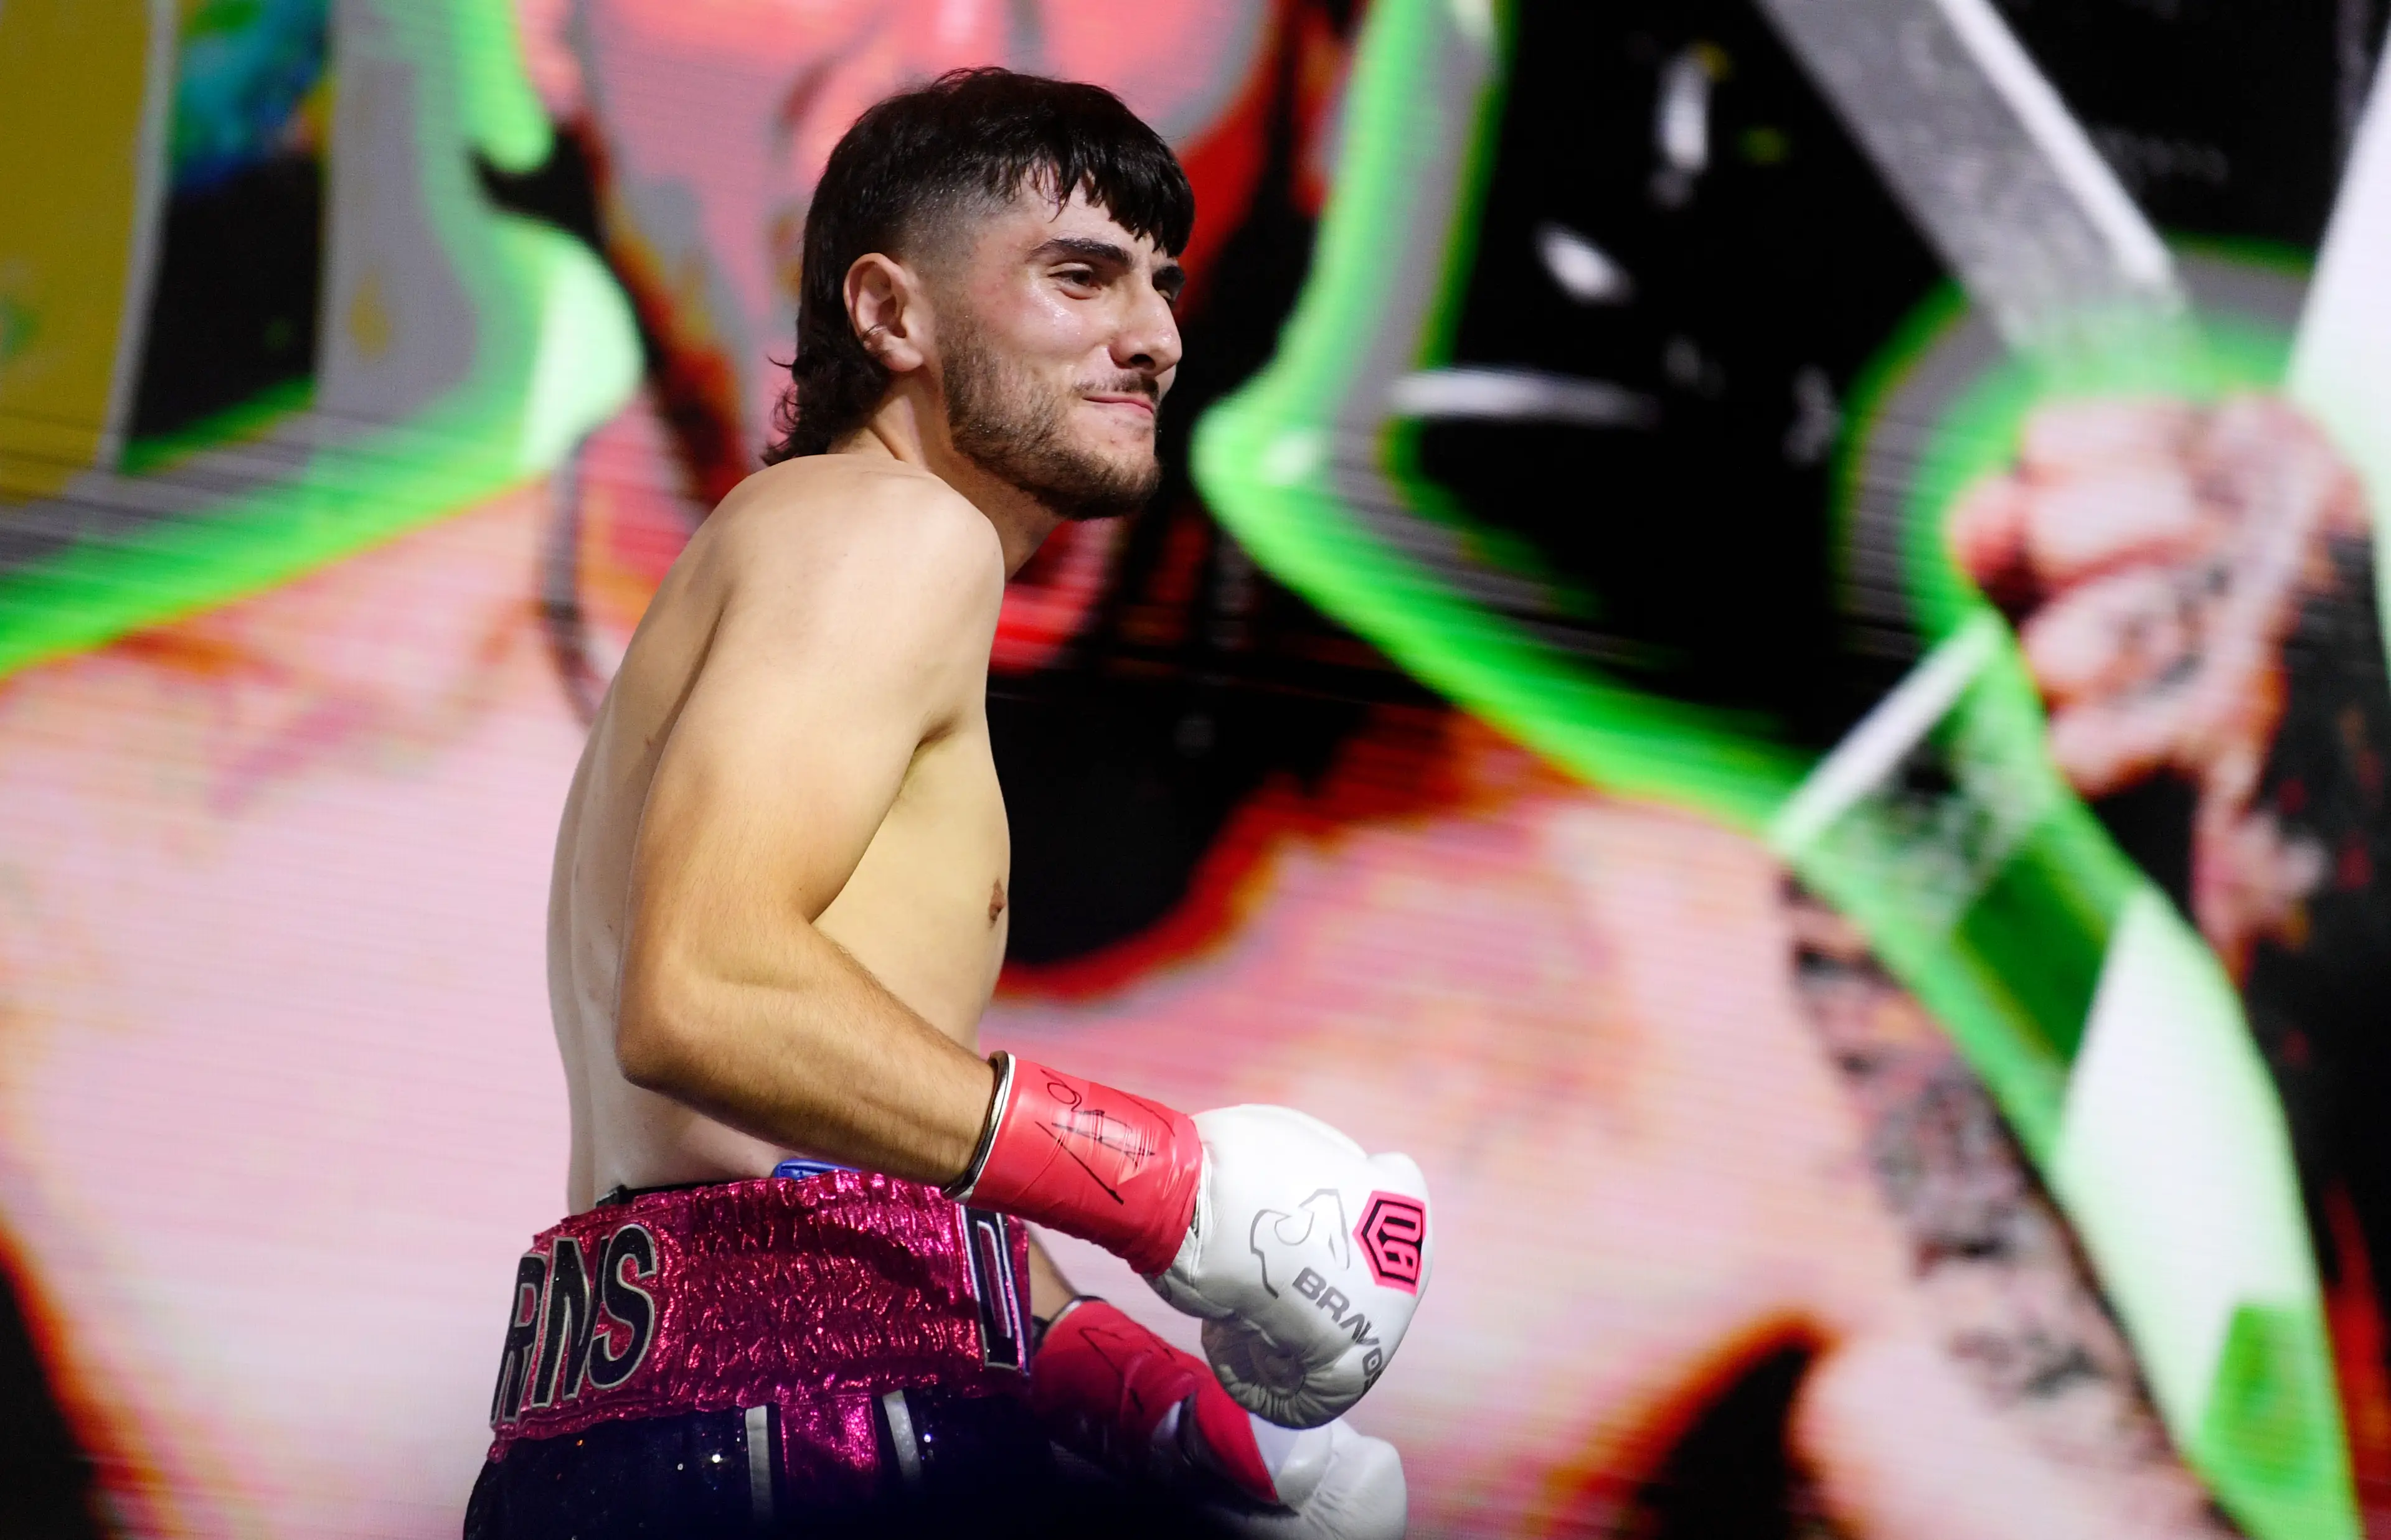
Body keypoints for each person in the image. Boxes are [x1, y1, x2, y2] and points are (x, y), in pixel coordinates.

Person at [462, 69, 1427, 1536]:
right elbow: (703, 992)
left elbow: (788, 1158)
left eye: (1162, 285)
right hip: (803, 1443)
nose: (1156, 336)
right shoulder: (897, 529)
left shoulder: (796, 557)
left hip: (644, 1443)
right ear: (890, 315)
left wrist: (1140, 1393)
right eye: (1082, 276)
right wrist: (1175, 1189)